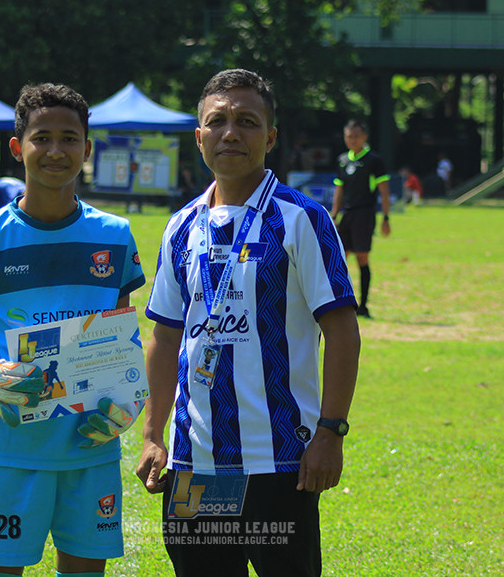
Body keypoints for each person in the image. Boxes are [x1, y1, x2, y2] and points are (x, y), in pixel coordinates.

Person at [136, 69, 360, 577]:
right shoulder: (181, 226)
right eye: (217, 122)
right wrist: (154, 434)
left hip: (280, 461)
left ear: (270, 136)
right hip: (196, 462)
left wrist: (331, 432)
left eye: (246, 121)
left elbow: (343, 333)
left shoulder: (302, 218)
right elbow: (165, 336)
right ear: (199, 137)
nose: (230, 133)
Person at [0, 82, 146, 577]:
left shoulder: (114, 236)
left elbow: (123, 332)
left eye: (70, 138)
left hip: (89, 440)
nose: (56, 150)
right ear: (18, 147)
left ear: (87, 149)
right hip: (9, 444)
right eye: (42, 137)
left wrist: (129, 401)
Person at [330, 120, 391, 318]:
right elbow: (339, 190)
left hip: (364, 214)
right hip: (346, 215)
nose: (352, 140)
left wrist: (386, 217)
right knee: (341, 258)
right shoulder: (342, 160)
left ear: (364, 137)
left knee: (362, 258)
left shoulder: (374, 161)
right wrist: (334, 214)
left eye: (356, 136)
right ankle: (343, 302)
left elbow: (384, 191)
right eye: (349, 136)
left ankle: (363, 305)